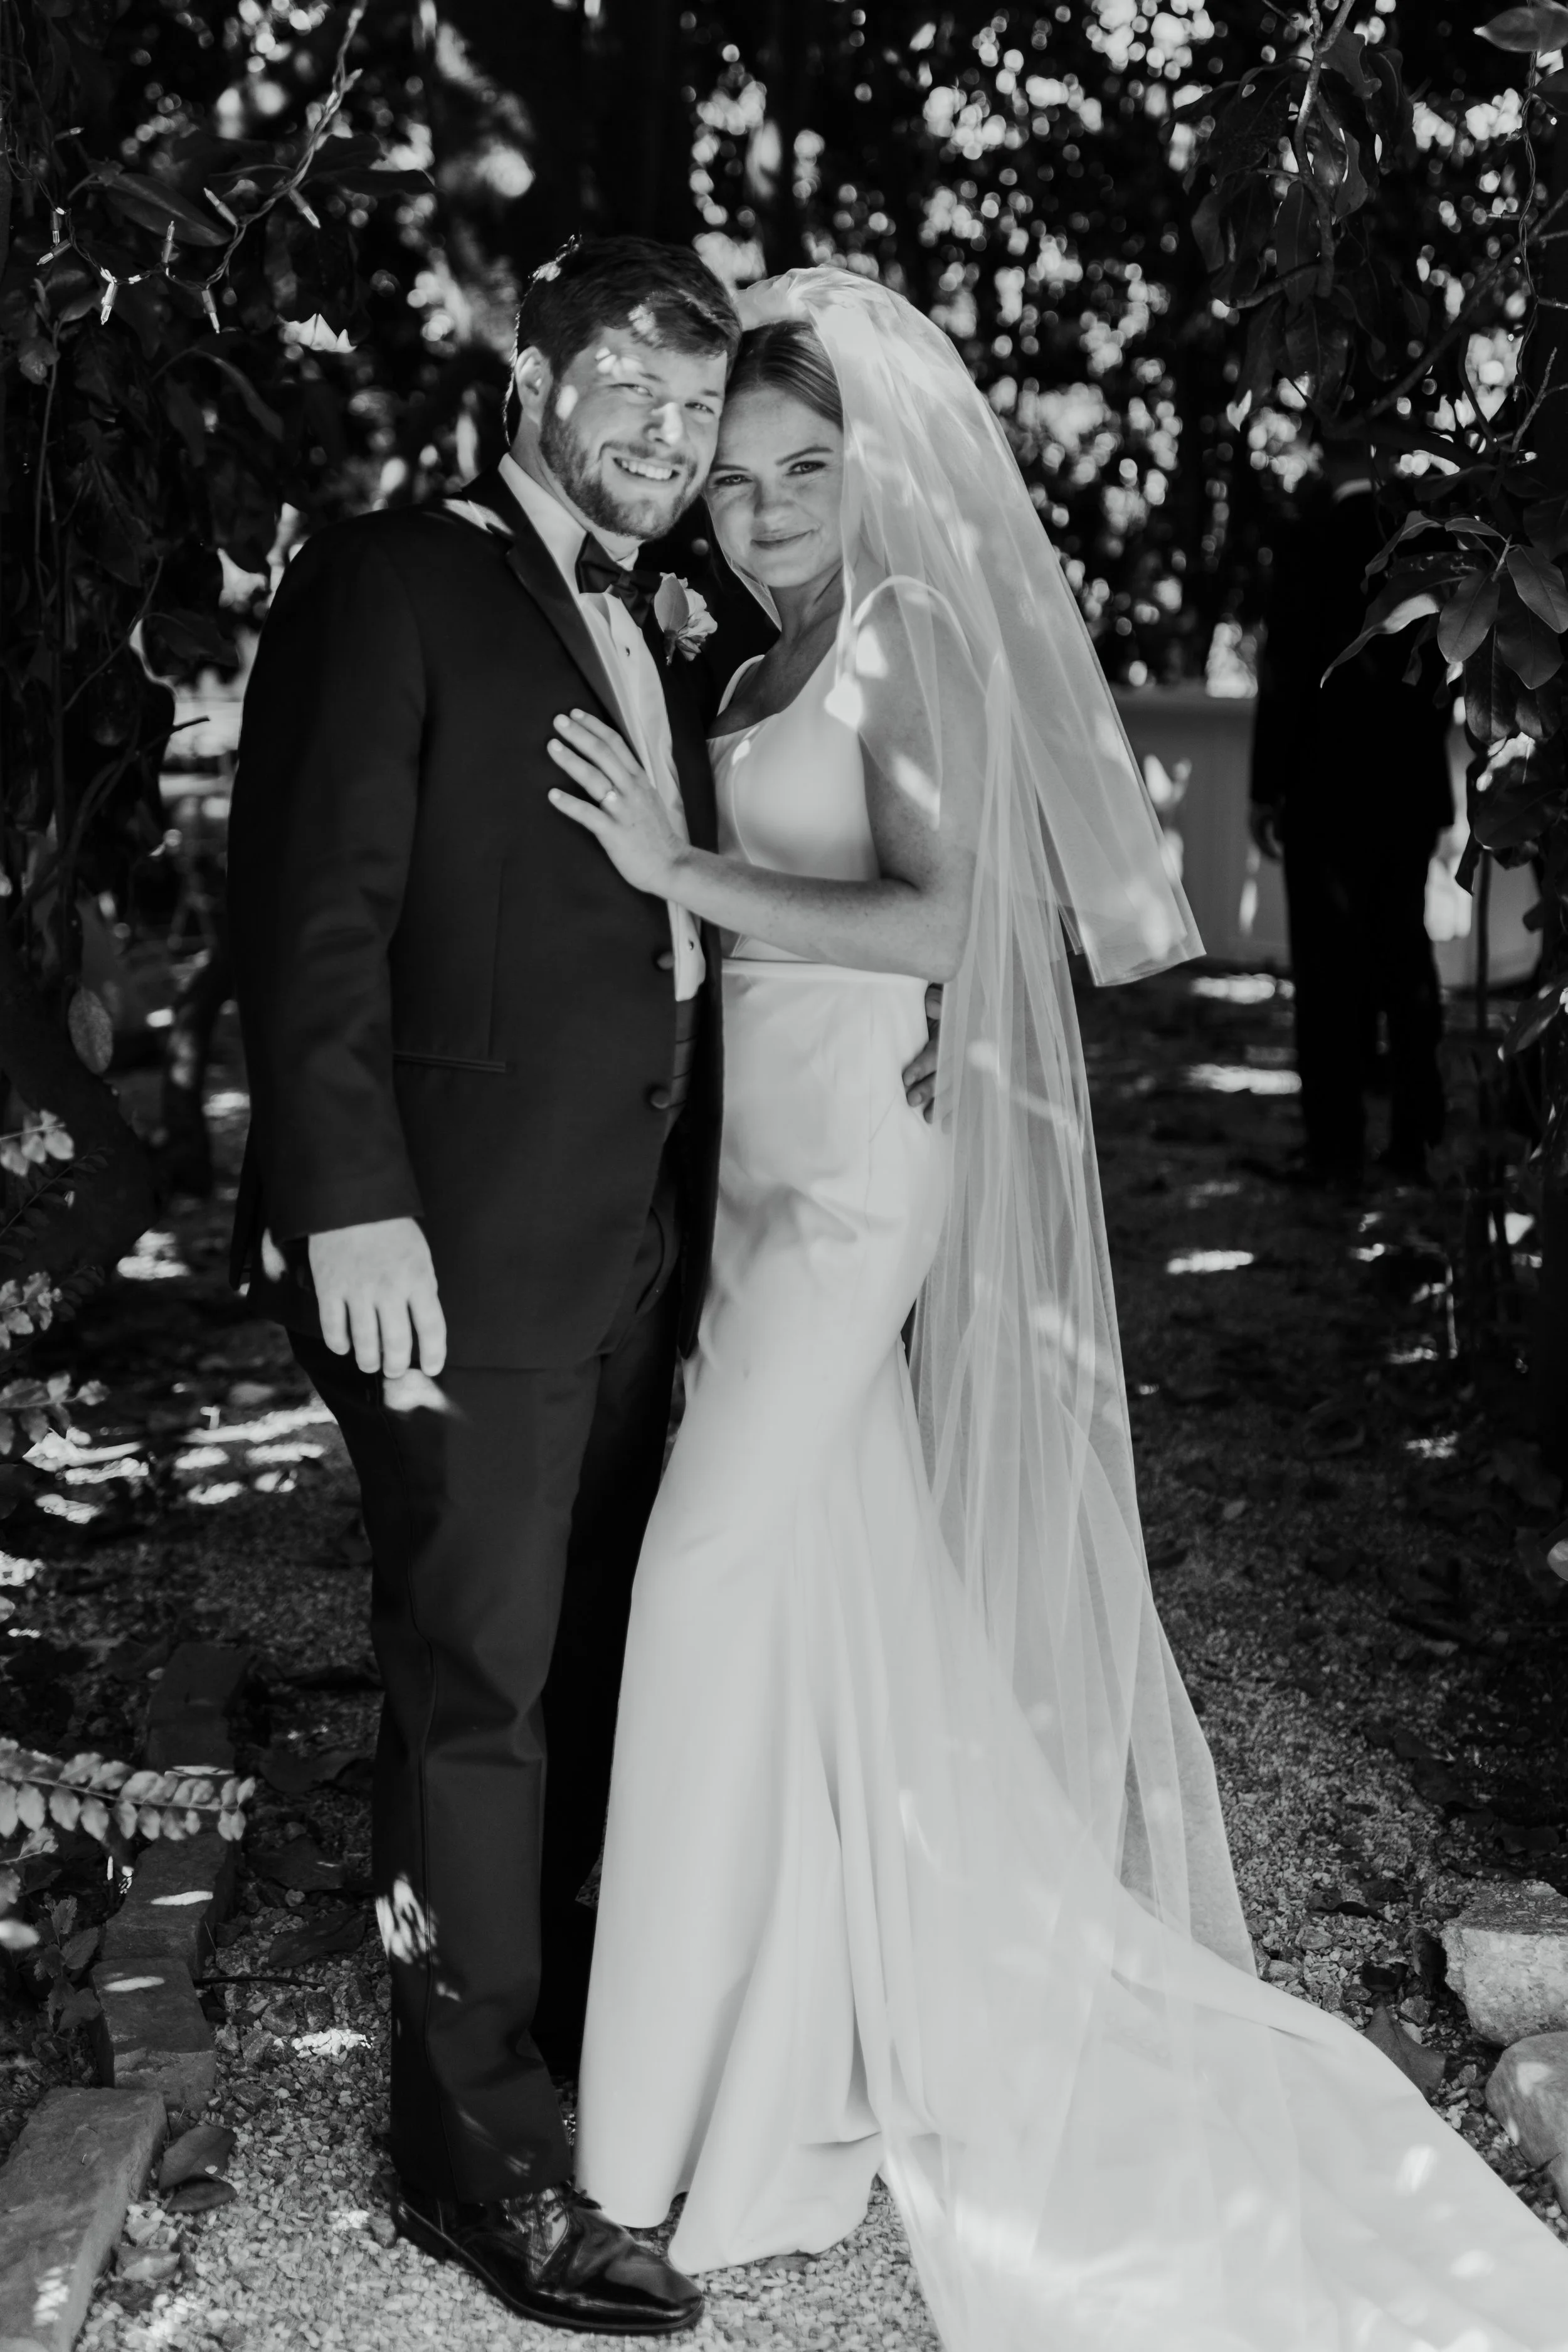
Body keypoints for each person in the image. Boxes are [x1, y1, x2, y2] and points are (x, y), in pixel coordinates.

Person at [550, 270, 1568, 2350]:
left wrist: (687, 875)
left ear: (880, 471)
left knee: (700, 1582)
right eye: (734, 480)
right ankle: (781, 2051)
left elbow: (948, 907)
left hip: (856, 1194)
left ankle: (648, 2139)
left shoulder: (907, 642)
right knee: (822, 1595)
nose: (760, 510)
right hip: (752, 1186)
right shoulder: (763, 651)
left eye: (805, 471)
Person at [228, 235, 936, 2336]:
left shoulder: (690, 609)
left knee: (588, 1668)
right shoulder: (394, 575)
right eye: (621, 377)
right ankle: (482, 2165)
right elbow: (312, 909)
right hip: (450, 1249)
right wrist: (344, 1199)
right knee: (476, 1683)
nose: (657, 428)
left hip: (648, 1239)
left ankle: (584, 2076)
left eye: (690, 407)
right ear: (524, 364)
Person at [1251, 440, 1453, 1188]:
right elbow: (1444, 671)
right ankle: (1416, 1137)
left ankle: (1334, 1148)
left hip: (1324, 790)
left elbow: (1284, 672)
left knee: (1328, 974)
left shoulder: (1307, 542)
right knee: (1404, 957)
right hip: (1405, 790)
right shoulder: (1428, 542)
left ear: (1330, 456)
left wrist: (1263, 788)